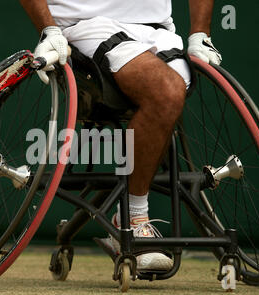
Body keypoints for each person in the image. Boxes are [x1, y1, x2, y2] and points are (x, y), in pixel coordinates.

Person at [19, 0, 222, 271]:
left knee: (167, 97)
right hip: (87, 27)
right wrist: (48, 30)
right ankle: (134, 218)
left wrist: (200, 34)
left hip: (158, 31)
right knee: (165, 92)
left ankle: (128, 210)